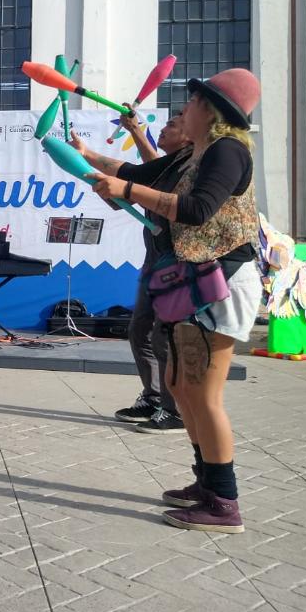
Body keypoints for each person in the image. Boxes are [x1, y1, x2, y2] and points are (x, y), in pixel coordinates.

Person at [86, 69, 262, 534]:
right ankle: (206, 482)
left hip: (222, 282)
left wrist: (127, 191)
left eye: (193, 100)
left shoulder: (228, 151)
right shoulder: (194, 152)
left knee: (204, 395)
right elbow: (137, 172)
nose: (186, 107)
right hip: (194, 281)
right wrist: (84, 157)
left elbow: (198, 209)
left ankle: (224, 503)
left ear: (212, 109)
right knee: (180, 387)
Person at [71, 112, 192, 433]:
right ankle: (154, 397)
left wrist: (133, 134)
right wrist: (132, 132)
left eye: (172, 125)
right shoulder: (168, 165)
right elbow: (146, 170)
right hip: (155, 260)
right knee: (140, 331)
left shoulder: (190, 165)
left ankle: (175, 409)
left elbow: (142, 173)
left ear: (189, 136)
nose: (164, 129)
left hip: (176, 260)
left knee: (164, 336)